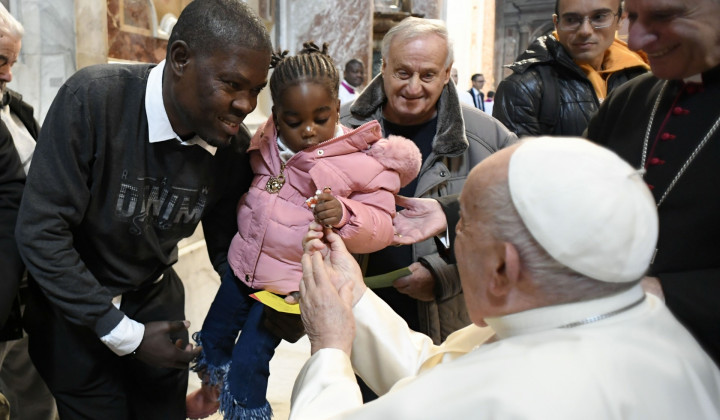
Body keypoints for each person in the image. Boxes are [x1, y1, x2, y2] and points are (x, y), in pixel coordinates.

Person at [290, 137, 720, 419]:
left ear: (501, 268)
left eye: (461, 229)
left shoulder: (515, 397)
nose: (455, 244)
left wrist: (329, 350)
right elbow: (439, 374)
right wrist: (356, 299)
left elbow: (464, 394)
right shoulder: (648, 324)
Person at [14, 0, 273, 418]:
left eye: (256, 91)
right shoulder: (94, 101)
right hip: (75, 307)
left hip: (156, 303)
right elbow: (41, 232)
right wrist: (123, 333)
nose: (245, 105)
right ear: (180, 59)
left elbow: (230, 253)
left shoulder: (232, 148)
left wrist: (265, 312)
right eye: (231, 85)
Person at [186, 42, 421, 420]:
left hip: (286, 289)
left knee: (250, 363)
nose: (309, 131)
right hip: (242, 268)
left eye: (321, 118)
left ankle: (244, 409)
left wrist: (344, 214)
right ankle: (213, 389)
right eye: (294, 122)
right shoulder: (264, 144)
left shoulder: (360, 162)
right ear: (276, 115)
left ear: (336, 108)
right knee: (213, 338)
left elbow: (380, 225)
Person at [340, 17, 516, 353]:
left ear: (447, 72)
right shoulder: (340, 129)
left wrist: (444, 276)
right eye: (402, 73)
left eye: (428, 75)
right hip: (357, 317)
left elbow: (515, 230)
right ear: (384, 65)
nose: (413, 87)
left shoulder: (489, 139)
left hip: (444, 321)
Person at [585, 0, 720, 367]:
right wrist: (454, 213)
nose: (635, 39)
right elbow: (566, 187)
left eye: (663, 15)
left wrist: (669, 293)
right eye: (630, 17)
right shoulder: (631, 98)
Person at [0, 5, 57, 419]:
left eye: (14, 61)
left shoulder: (17, 109)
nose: (8, 74)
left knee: (33, 392)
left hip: (28, 282)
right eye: (1, 60)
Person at [493, 0, 648, 137]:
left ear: (620, 19)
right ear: (557, 23)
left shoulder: (642, 78)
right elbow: (517, 164)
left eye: (599, 17)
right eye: (571, 19)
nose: (585, 31)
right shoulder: (522, 88)